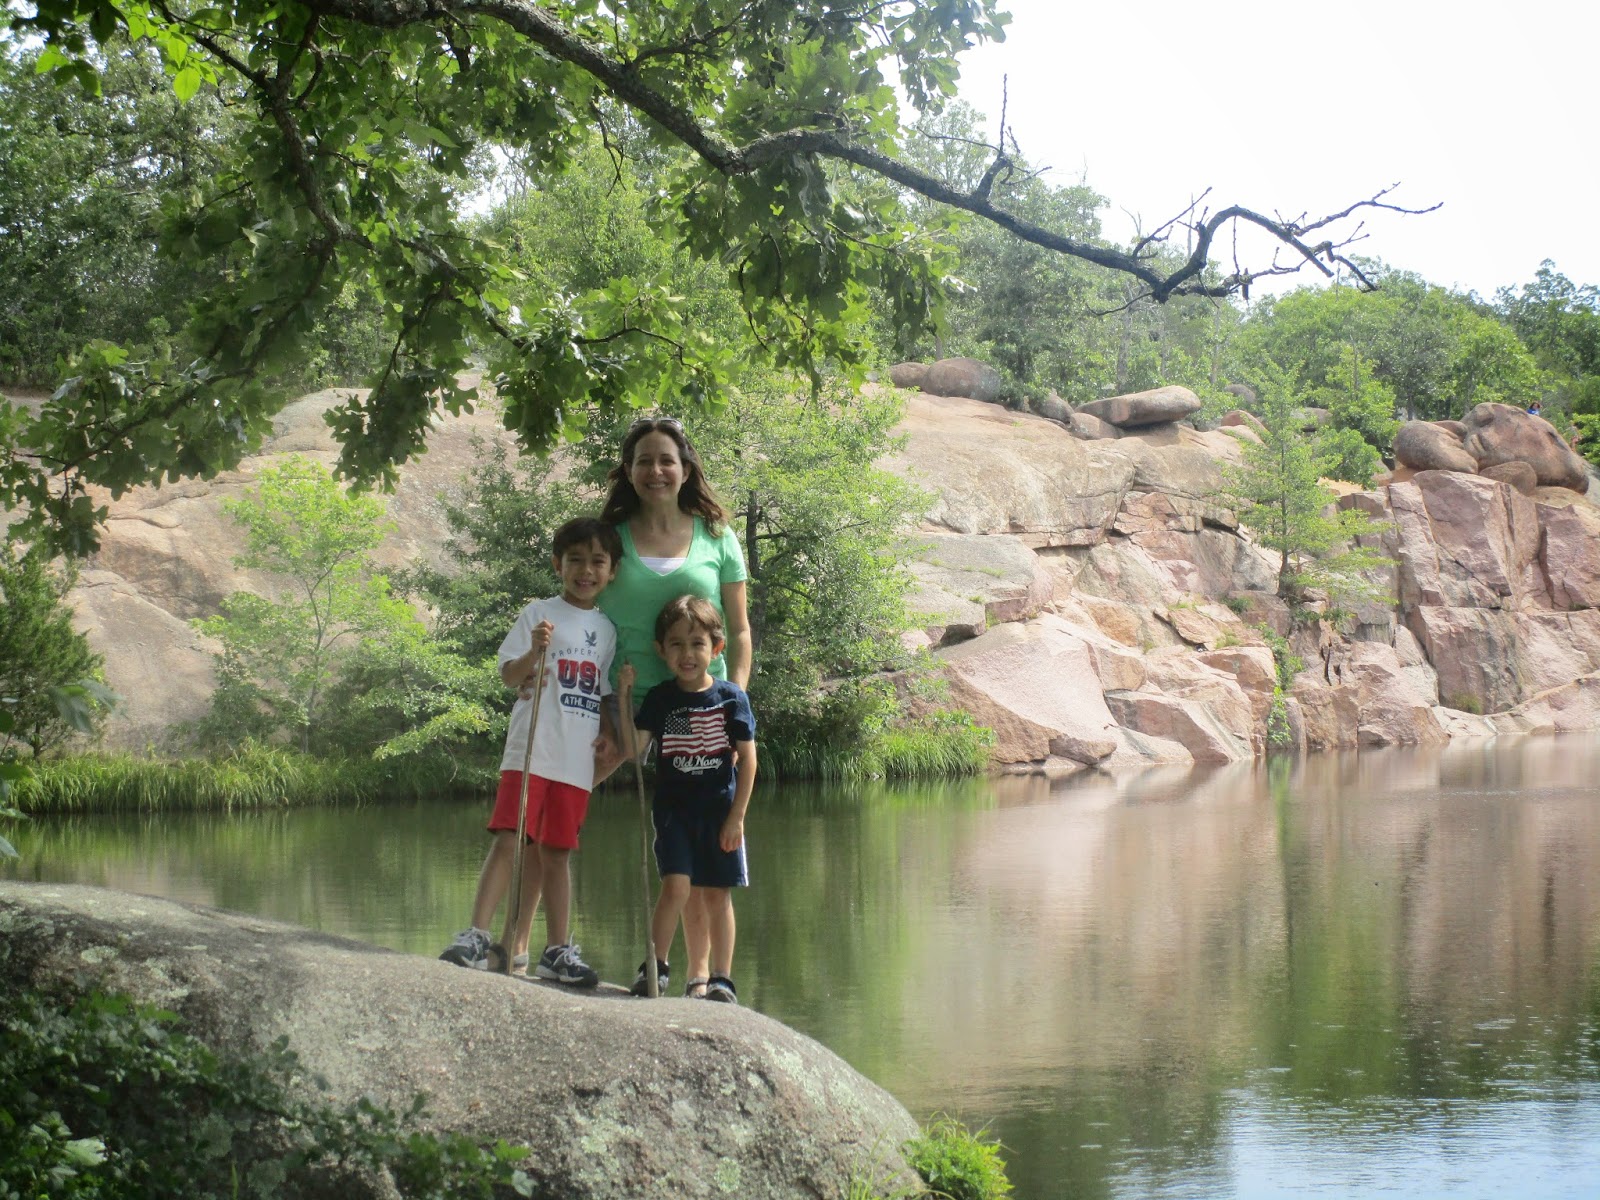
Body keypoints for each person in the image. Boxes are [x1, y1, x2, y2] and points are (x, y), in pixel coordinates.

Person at [596, 415, 752, 998]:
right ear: (629, 470)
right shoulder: (612, 537)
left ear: (686, 469)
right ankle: (524, 935)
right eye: (644, 461)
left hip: (703, 706)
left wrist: (734, 700)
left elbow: (739, 630)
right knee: (566, 792)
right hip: (629, 700)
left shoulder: (717, 536)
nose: (656, 471)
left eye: (667, 460)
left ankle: (701, 976)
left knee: (703, 851)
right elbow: (579, 598)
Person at [439, 516, 622, 986]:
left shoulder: (607, 630)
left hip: (574, 759)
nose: (586, 571)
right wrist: (533, 655)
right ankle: (477, 935)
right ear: (558, 564)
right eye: (575, 560)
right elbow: (508, 676)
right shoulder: (538, 614)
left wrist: (607, 731)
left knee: (558, 851)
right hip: (531, 750)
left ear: (612, 571)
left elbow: (600, 691)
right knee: (510, 839)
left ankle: (557, 950)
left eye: (597, 562)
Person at [618, 595, 756, 1003]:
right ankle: (655, 966)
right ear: (661, 650)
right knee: (675, 887)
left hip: (719, 813)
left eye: (697, 643)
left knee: (717, 894)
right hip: (674, 813)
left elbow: (748, 760)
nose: (687, 654)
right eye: (676, 644)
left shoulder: (731, 698)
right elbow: (634, 750)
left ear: (717, 648)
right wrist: (624, 697)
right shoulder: (661, 698)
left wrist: (737, 817)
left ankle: (722, 978)